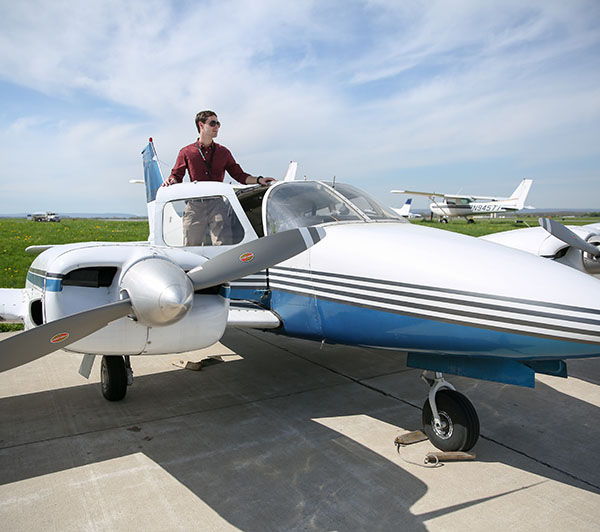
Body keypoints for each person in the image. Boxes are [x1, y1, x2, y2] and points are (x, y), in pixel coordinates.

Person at [164, 110, 276, 245]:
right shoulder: (186, 152)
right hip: (195, 206)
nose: (216, 127)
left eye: (218, 123)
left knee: (223, 244)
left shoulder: (223, 152)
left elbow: (239, 175)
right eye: (212, 123)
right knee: (191, 246)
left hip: (217, 205)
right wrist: (171, 181)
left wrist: (259, 180)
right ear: (201, 125)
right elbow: (176, 176)